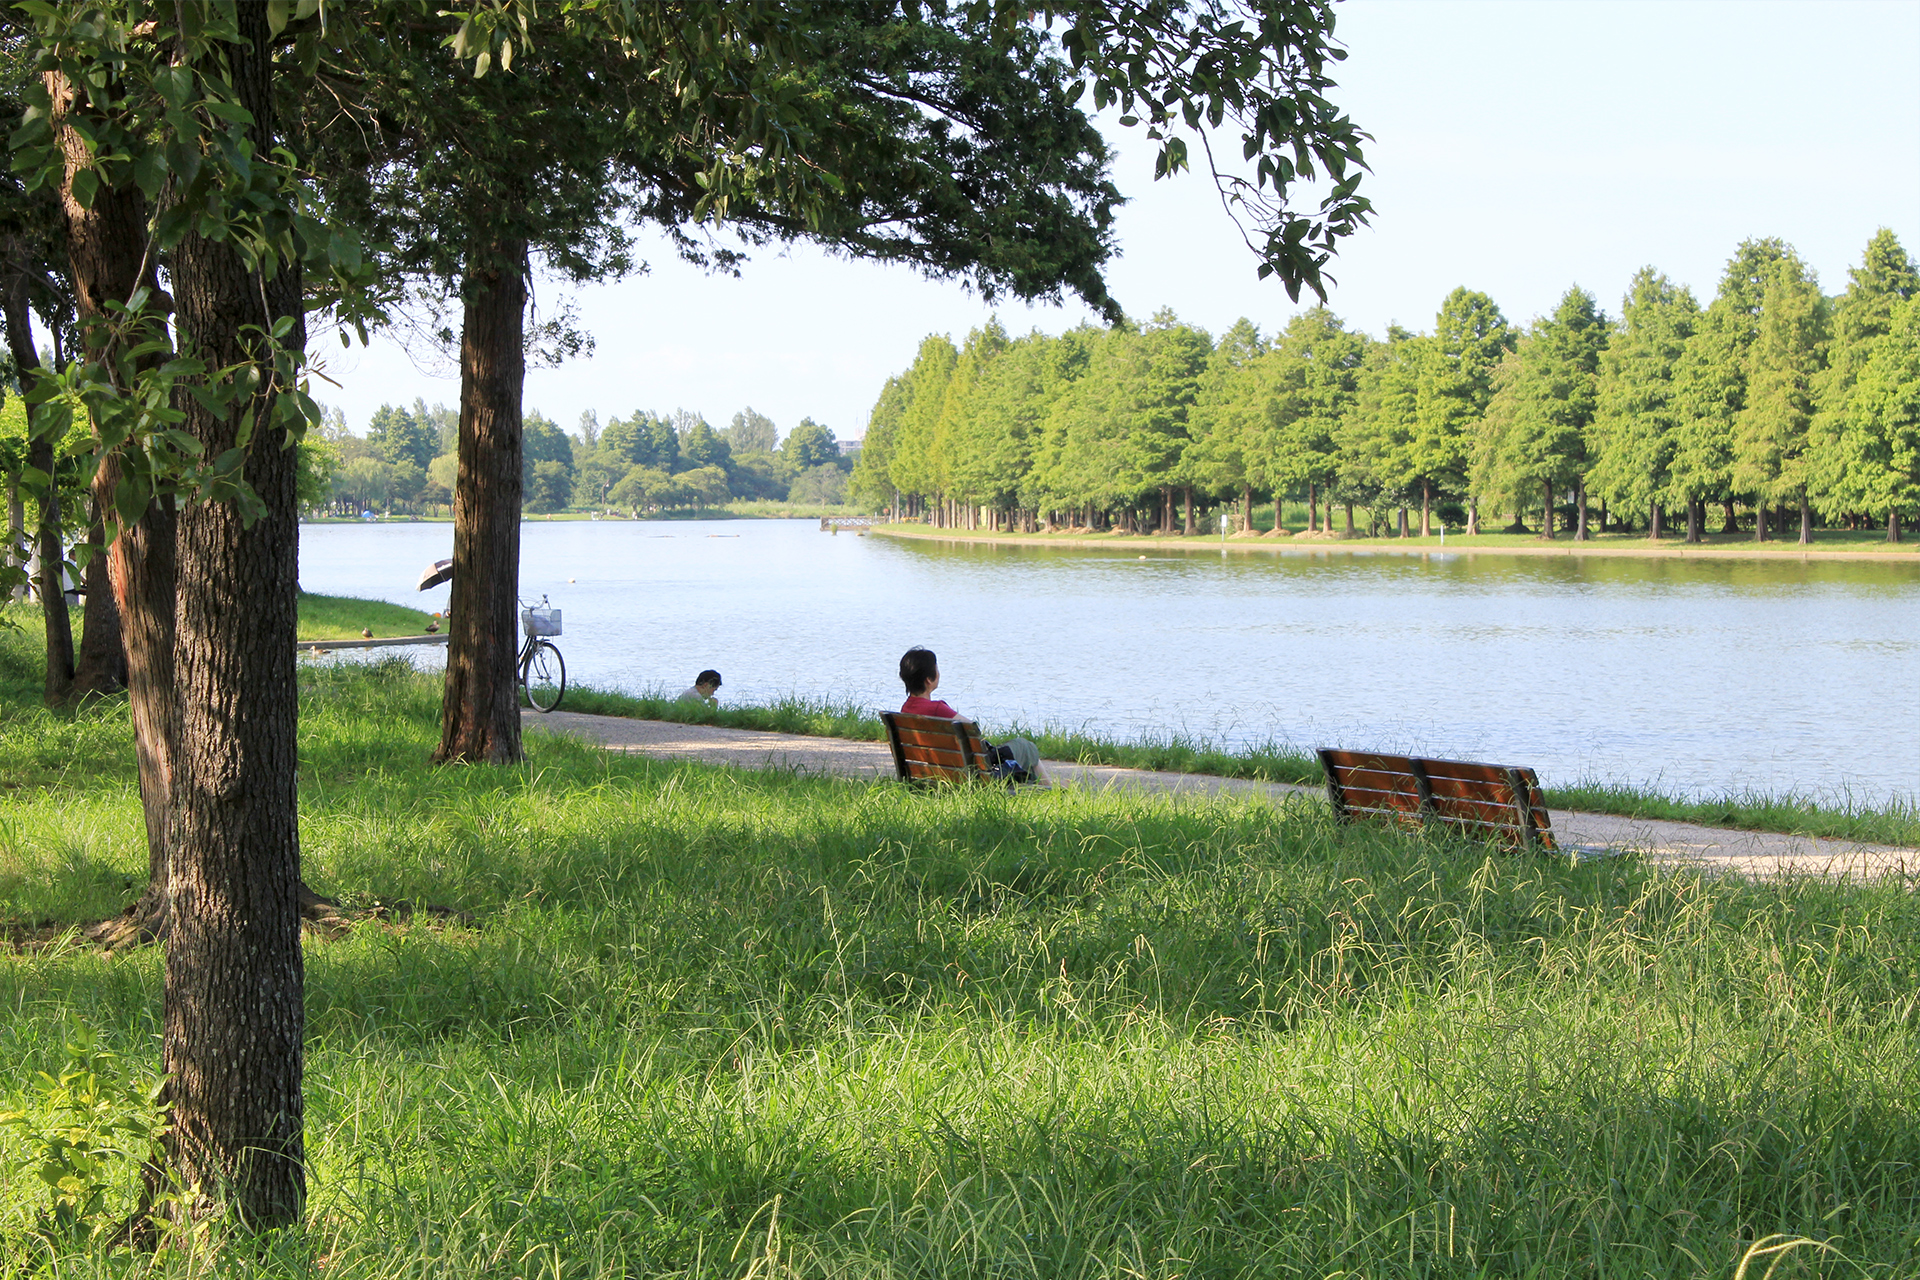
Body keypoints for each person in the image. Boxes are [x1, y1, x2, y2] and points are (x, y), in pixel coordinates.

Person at [897, 646, 1043, 783]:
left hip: (929, 774)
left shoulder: (905, 711)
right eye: (936, 668)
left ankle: (1045, 786)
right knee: (1025, 746)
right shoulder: (937, 709)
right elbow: (973, 732)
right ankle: (1049, 788)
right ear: (929, 679)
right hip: (966, 776)